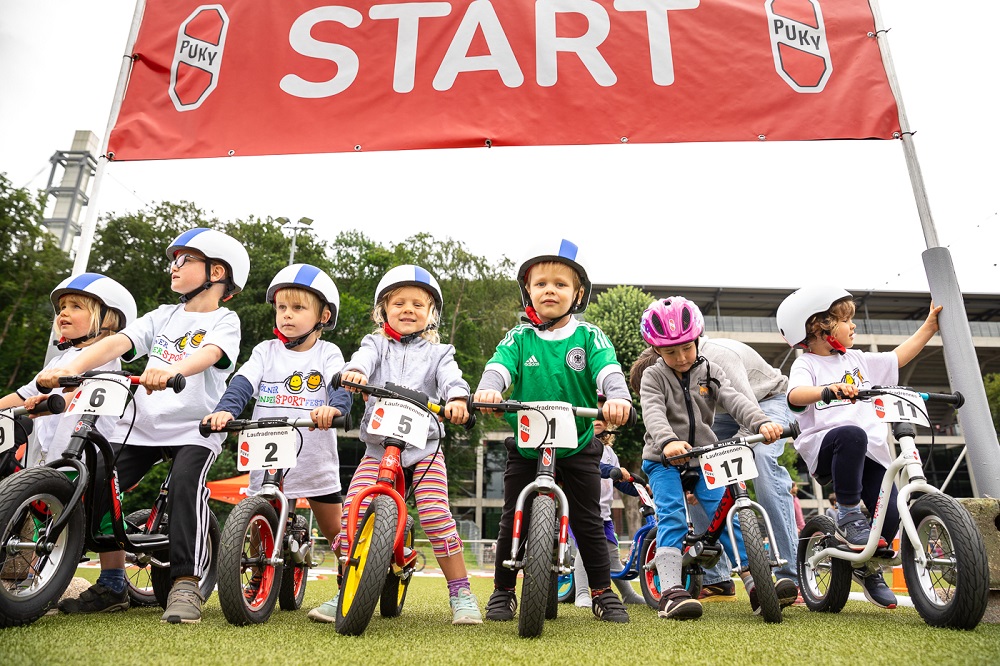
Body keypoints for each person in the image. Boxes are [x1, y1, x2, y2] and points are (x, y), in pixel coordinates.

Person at [38, 227, 249, 623]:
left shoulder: (226, 319)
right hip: (144, 427)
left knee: (187, 484)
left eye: (184, 259)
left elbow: (211, 353)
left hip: (194, 429)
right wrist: (70, 367)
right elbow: (116, 343)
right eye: (174, 259)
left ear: (216, 272)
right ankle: (114, 583)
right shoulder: (163, 316)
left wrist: (172, 369)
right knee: (98, 477)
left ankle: (186, 582)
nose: (174, 266)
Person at [307, 265, 483, 625]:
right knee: (352, 514)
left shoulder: (440, 353)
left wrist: (459, 399)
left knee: (435, 513)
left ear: (431, 313)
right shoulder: (375, 345)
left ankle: (461, 592)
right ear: (382, 310)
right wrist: (355, 374)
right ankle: (346, 588)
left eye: (418, 304)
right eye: (399, 302)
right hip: (378, 449)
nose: (408, 309)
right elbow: (362, 361)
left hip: (423, 451)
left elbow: (453, 380)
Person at [475, 240, 632, 624]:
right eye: (541, 283)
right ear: (528, 290)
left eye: (560, 284)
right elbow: (500, 366)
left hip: (577, 442)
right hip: (528, 445)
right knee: (513, 515)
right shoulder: (519, 337)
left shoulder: (589, 336)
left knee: (588, 520)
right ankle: (503, 591)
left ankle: (600, 591)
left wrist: (618, 396)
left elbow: (607, 369)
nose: (550, 290)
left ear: (577, 294)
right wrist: (489, 387)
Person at [776, 285, 942, 610]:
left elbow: (898, 356)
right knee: (850, 433)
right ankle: (848, 514)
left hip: (871, 457)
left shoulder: (858, 359)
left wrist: (930, 326)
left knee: (891, 515)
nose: (853, 326)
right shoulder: (807, 364)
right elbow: (794, 396)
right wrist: (827, 390)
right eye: (845, 320)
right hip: (831, 450)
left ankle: (867, 569)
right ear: (819, 327)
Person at [203, 264, 352, 582]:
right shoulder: (264, 351)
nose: (287, 315)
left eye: (298, 308)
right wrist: (226, 410)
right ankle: (258, 574)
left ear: (323, 317)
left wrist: (335, 409)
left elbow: (340, 384)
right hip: (266, 451)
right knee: (258, 513)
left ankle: (348, 578)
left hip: (313, 458)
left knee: (335, 529)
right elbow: (243, 382)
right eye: (282, 307)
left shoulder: (327, 353)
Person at [635, 296, 781, 620]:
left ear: (698, 340)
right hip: (664, 459)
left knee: (728, 513)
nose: (681, 357)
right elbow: (654, 413)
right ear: (656, 350)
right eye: (670, 351)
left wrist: (761, 421)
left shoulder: (710, 370)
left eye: (687, 348)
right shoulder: (653, 377)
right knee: (672, 515)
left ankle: (756, 582)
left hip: (705, 457)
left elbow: (734, 398)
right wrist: (668, 442)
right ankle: (671, 592)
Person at [0, 274, 136, 472]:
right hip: (41, 462)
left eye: (76, 307)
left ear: (109, 318)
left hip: (78, 464)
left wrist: (55, 402)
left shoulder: (106, 359)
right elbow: (23, 396)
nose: (63, 313)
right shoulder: (59, 361)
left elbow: (80, 397)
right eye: (62, 307)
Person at [573, 393, 645, 607]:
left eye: (602, 416)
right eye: (592, 413)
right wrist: (612, 470)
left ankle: (627, 593)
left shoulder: (609, 452)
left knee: (612, 554)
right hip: (581, 511)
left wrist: (638, 488)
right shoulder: (576, 447)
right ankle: (582, 593)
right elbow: (597, 469)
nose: (597, 420)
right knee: (584, 550)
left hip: (603, 514)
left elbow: (617, 480)